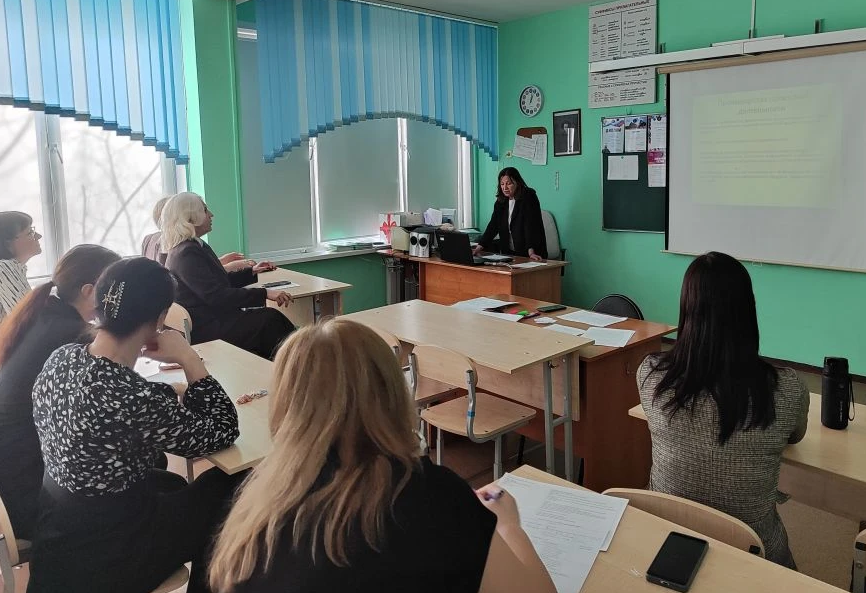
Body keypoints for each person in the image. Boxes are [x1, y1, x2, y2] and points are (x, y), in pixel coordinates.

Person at [207, 319, 556, 593]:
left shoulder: (253, 502)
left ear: (286, 402)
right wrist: (508, 525)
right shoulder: (432, 495)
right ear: (393, 392)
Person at [28, 257, 243, 593]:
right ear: (160, 318)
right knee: (231, 485)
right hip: (113, 550)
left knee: (174, 483)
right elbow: (223, 429)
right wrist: (188, 358)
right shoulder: (131, 396)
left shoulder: (62, 358)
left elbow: (122, 406)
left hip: (58, 536)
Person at [637, 252, 809, 568]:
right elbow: (796, 435)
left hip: (666, 541)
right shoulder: (788, 388)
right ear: (747, 311)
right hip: (755, 553)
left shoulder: (651, 376)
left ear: (687, 310)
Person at [0, 244, 121, 539]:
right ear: (89, 291)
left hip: (13, 486)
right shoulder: (71, 335)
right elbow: (106, 410)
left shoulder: (42, 314)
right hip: (35, 498)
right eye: (116, 289)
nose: (121, 297)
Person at [162, 192, 294, 359]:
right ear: (190, 218)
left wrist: (252, 272)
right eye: (205, 210)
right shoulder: (187, 253)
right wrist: (265, 293)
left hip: (212, 318)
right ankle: (297, 365)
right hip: (207, 327)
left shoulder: (191, 247)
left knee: (270, 322)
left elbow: (218, 282)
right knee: (270, 321)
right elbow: (216, 296)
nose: (211, 215)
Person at [474, 167, 548, 261]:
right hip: (509, 253)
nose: (505, 188)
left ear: (517, 182)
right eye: (502, 184)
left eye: (508, 184)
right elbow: (493, 225)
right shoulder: (501, 201)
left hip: (530, 253)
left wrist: (531, 252)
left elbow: (530, 226)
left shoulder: (528, 196)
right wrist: (479, 247)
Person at [0, 211, 43, 321]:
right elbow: (28, 319)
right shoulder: (3, 269)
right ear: (7, 243)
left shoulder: (13, 269)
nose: (39, 236)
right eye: (30, 233)